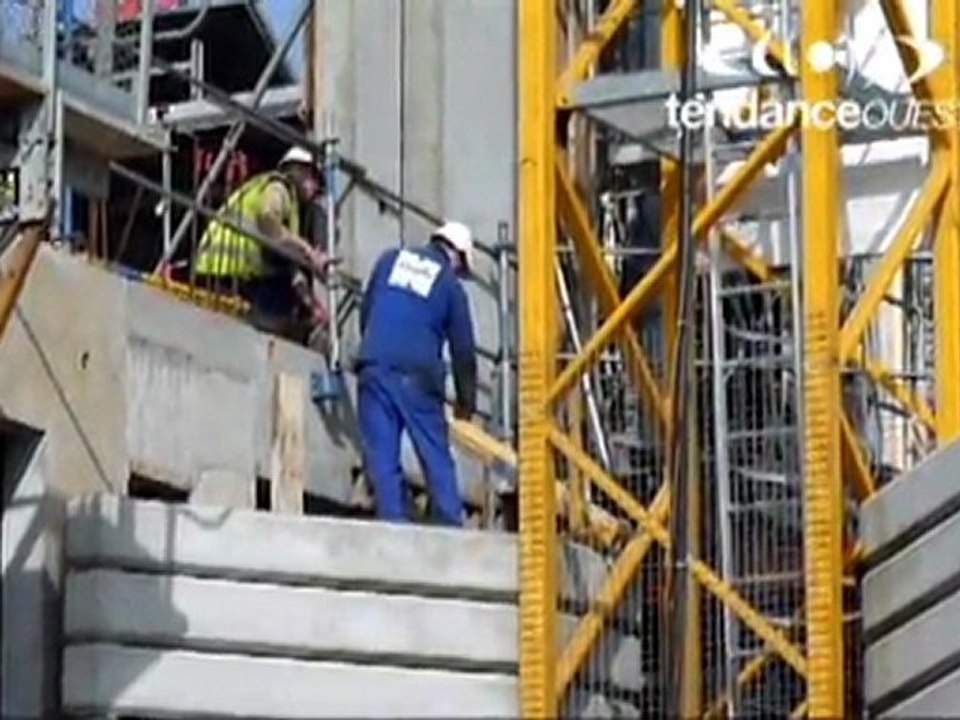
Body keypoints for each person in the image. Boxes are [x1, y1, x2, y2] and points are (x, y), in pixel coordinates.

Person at [356, 221, 478, 526]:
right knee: (434, 452)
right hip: (416, 373)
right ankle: (450, 525)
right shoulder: (450, 285)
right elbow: (463, 351)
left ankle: (393, 525)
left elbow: (367, 311)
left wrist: (377, 352)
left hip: (374, 363)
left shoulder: (389, 259)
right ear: (457, 256)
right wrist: (467, 402)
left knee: (382, 455)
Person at [194, 146, 335, 341]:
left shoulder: (288, 208)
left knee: (280, 291)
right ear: (299, 171)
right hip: (226, 271)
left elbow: (291, 269)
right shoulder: (279, 188)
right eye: (314, 180)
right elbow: (268, 219)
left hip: (225, 272)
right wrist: (309, 252)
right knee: (275, 300)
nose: (314, 189)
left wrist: (314, 307)